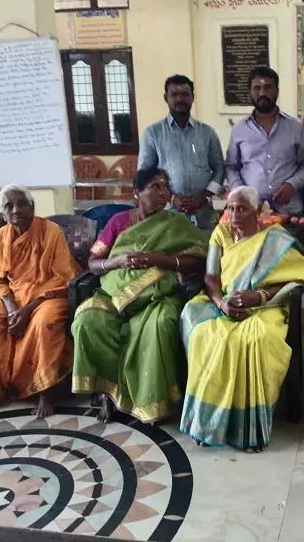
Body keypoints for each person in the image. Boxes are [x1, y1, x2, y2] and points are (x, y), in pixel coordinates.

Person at [180, 186, 304, 451]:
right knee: (205, 334)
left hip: (265, 306)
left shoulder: (274, 239)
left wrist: (259, 296)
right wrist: (222, 303)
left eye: (241, 209)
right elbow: (211, 277)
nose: (234, 214)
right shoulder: (221, 233)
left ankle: (247, 428)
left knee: (256, 338)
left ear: (257, 212)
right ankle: (207, 422)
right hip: (222, 302)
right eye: (230, 208)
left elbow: (301, 275)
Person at [72, 168, 208, 423]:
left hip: (159, 295)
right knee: (87, 321)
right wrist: (117, 261)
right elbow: (93, 263)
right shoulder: (118, 222)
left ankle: (154, 401)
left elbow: (198, 261)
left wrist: (158, 259)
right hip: (113, 294)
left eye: (165, 187)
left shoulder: (176, 223)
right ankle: (108, 393)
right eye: (155, 187)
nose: (163, 193)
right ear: (137, 193)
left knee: (160, 324)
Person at [0, 185, 82, 418]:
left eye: (21, 204)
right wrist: (11, 306)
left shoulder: (51, 232)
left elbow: (65, 277)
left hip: (48, 293)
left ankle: (45, 391)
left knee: (44, 323)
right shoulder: (0, 236)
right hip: (13, 293)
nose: (16, 210)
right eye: (8, 206)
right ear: (2, 213)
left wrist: (28, 309)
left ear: (32, 207)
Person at [139, 75, 225, 231]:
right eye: (174, 94)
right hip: (166, 214)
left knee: (204, 246)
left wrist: (206, 195)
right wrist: (171, 198)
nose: (180, 99)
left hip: (203, 214)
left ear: (192, 97)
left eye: (185, 94)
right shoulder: (152, 133)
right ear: (166, 98)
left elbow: (219, 167)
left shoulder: (207, 133)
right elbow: (144, 175)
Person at [226, 66, 304, 216]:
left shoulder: (295, 127)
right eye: (257, 88)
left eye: (268, 87)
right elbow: (231, 167)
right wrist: (242, 193)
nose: (262, 93)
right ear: (250, 92)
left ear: (277, 90)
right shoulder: (239, 130)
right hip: (251, 214)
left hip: (289, 212)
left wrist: (292, 185)